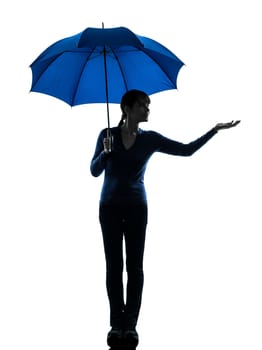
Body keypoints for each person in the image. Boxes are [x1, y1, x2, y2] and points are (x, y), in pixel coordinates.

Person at [90, 89, 240, 348]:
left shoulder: (150, 139)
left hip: (137, 208)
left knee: (134, 268)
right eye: (143, 105)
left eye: (148, 106)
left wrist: (213, 130)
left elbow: (186, 150)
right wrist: (105, 154)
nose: (148, 110)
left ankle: (131, 327)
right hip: (109, 208)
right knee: (114, 267)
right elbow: (94, 171)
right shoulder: (107, 135)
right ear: (127, 108)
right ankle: (116, 325)